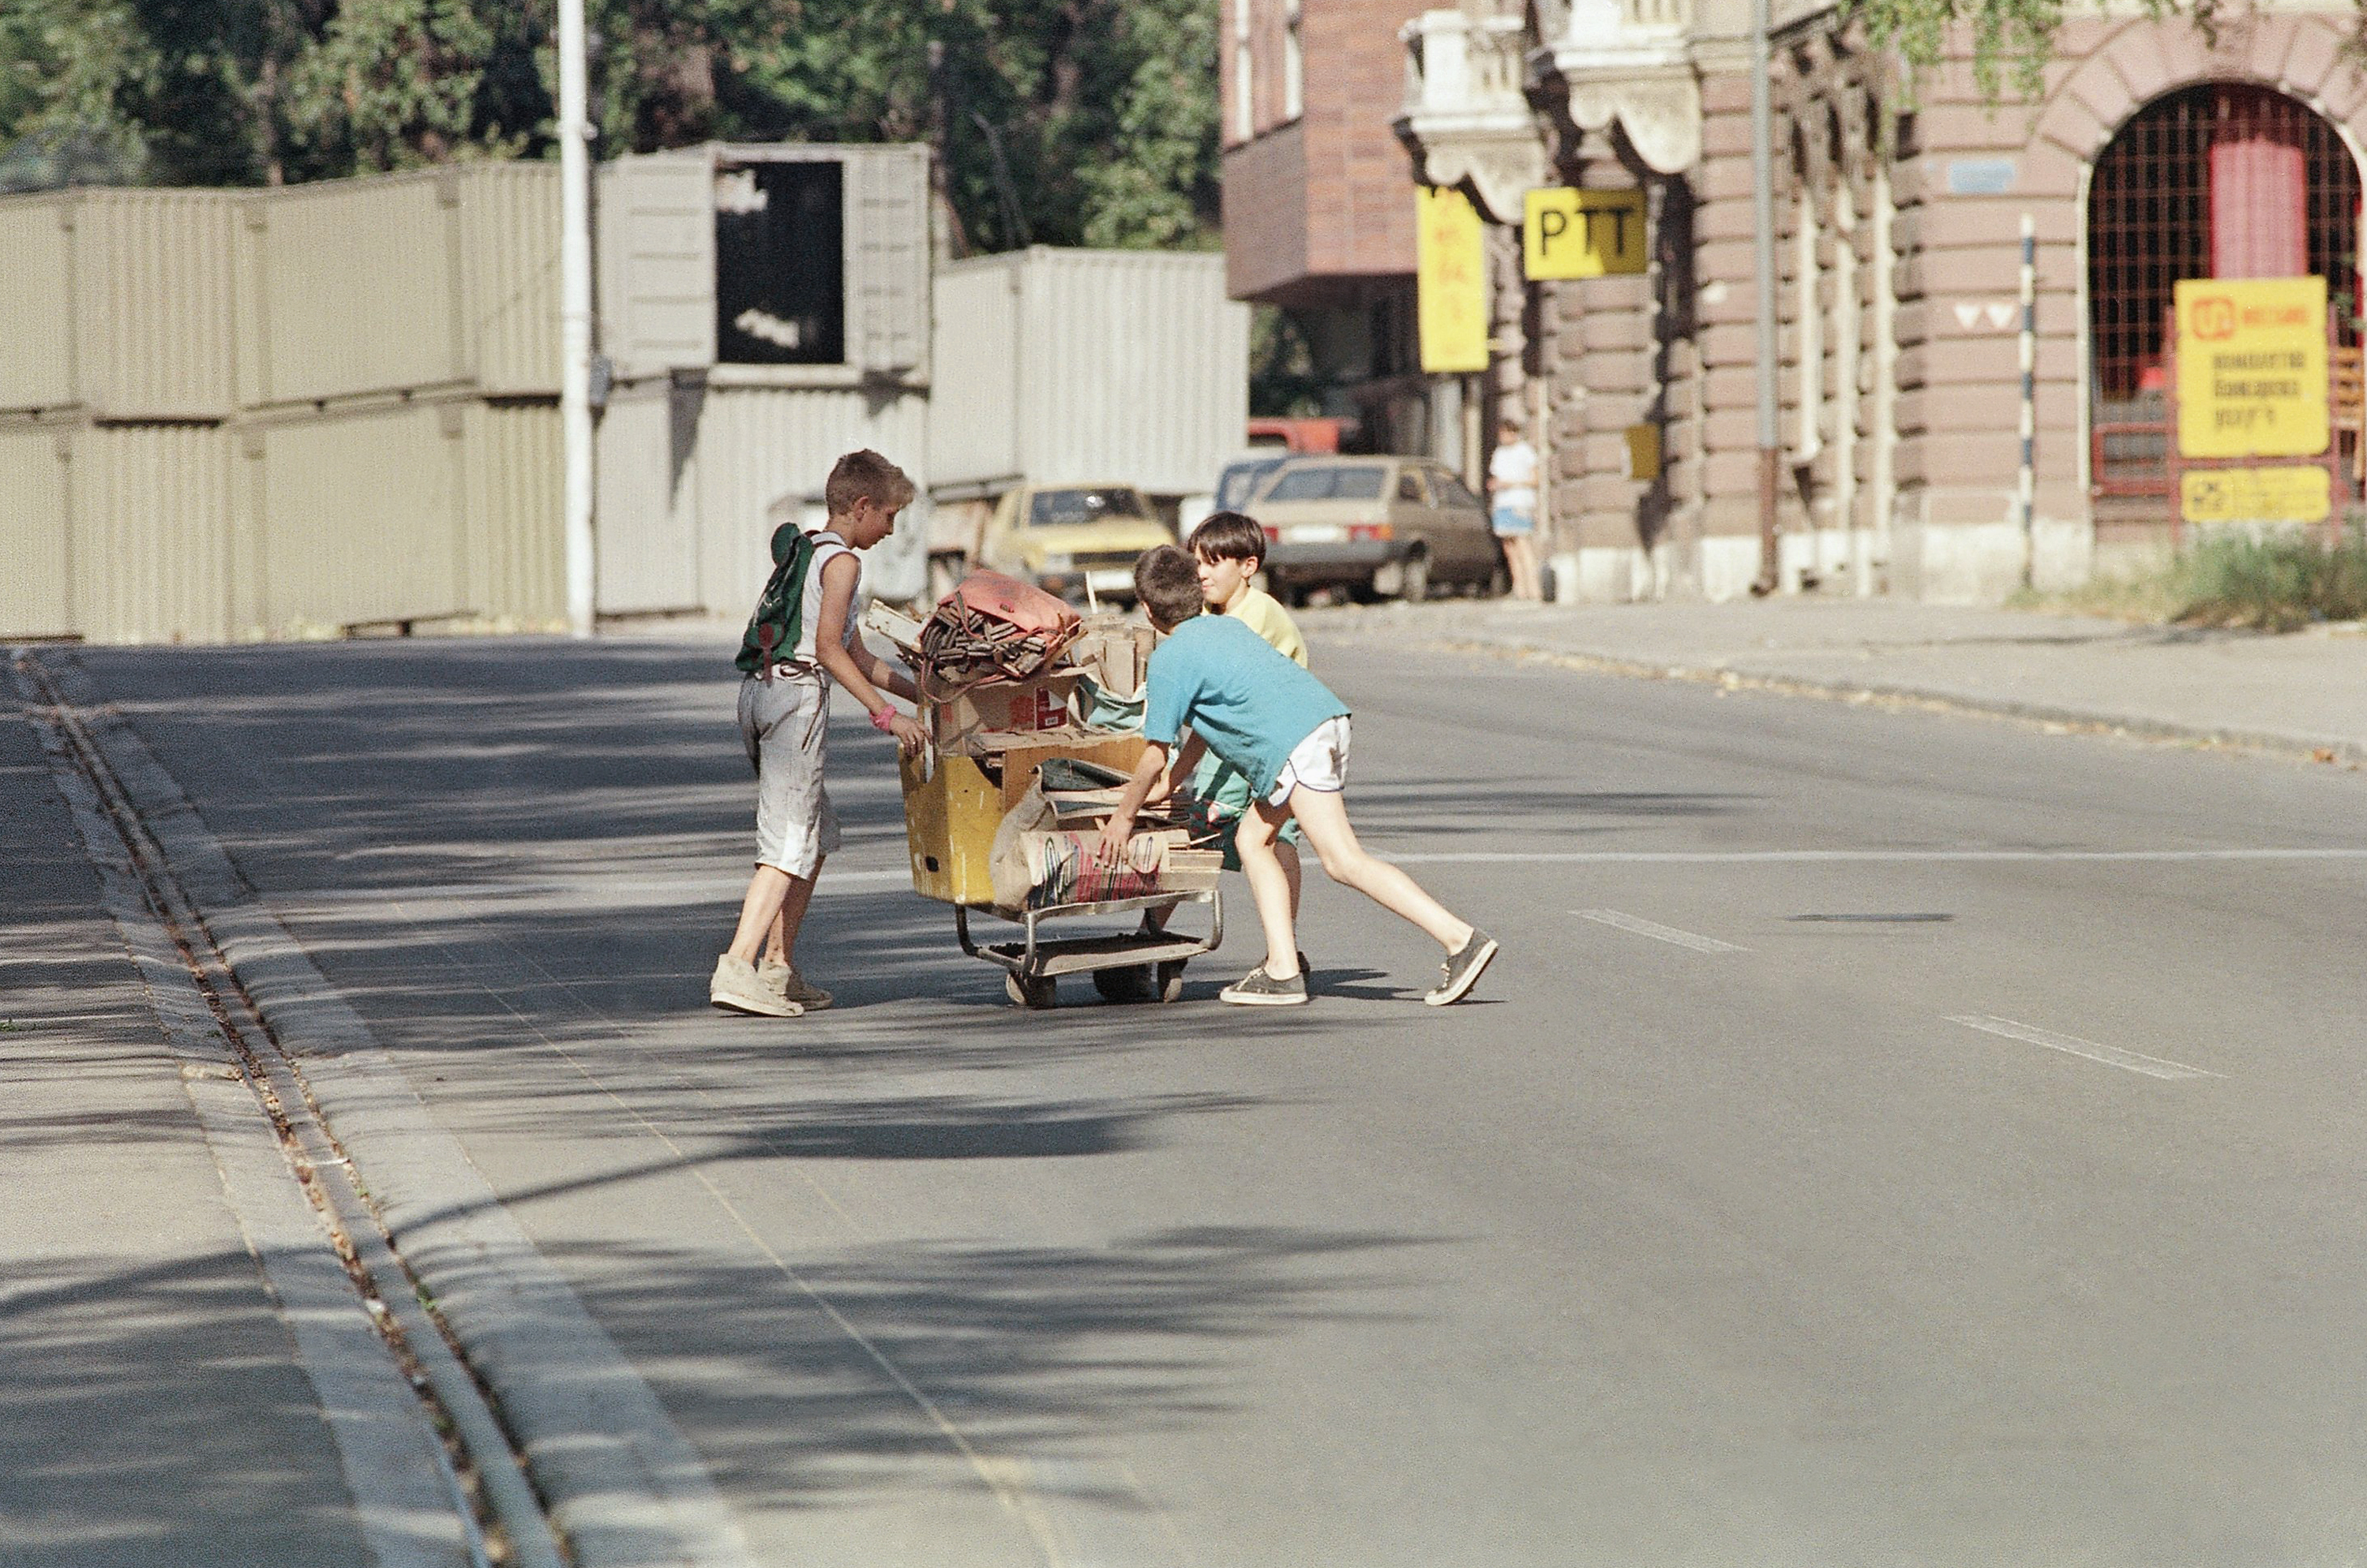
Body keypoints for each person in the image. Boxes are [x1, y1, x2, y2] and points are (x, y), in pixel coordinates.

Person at [1097, 546, 1499, 1008]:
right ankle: (1283, 970)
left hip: (1296, 746)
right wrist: (1173, 782)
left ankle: (1459, 939)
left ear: (1147, 609)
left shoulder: (1170, 659)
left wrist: (1123, 818)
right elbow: (1206, 726)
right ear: (1198, 590)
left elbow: (1153, 755)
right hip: (1320, 724)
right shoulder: (1227, 627)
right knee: (1253, 840)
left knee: (1343, 861)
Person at [711, 450, 926, 1017]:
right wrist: (887, 717)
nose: (890, 530)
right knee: (788, 840)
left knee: (816, 831)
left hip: (760, 693)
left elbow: (857, 653)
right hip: (796, 699)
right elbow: (830, 651)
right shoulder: (845, 564)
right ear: (863, 506)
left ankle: (778, 968)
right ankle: (737, 967)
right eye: (889, 517)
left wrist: (923, 695)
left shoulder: (811, 550)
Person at [1172, 510, 1306, 922]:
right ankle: (1151, 931)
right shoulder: (1209, 614)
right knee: (1199, 834)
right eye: (1197, 562)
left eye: (1213, 563)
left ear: (1249, 567)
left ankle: (1285, 944)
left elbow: (1220, 703)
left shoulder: (1256, 614)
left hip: (1276, 744)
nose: (1202, 573)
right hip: (1235, 743)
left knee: (1276, 840)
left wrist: (1174, 774)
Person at [1487, 415, 1543, 602]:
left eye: (1505, 433)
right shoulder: (1500, 453)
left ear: (1513, 433)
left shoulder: (1525, 451)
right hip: (1503, 504)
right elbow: (1496, 476)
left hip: (1520, 502)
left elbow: (1535, 480)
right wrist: (1496, 485)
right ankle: (1519, 588)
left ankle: (1534, 589)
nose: (1503, 437)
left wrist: (1510, 483)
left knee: (1523, 544)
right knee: (1509, 548)